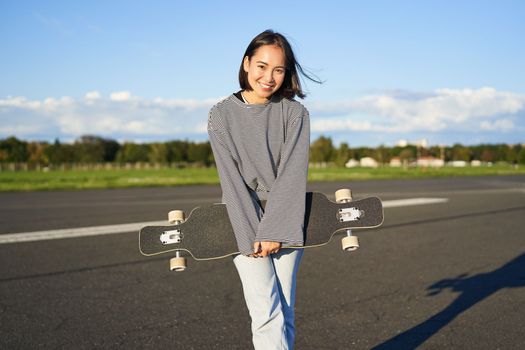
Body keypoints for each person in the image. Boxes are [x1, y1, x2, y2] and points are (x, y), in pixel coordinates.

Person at [207, 29, 321, 350]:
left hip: (284, 218)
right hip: (243, 220)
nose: (268, 77)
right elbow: (231, 179)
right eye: (261, 66)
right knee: (266, 313)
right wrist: (251, 235)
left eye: (278, 69)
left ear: (287, 74)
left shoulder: (294, 113)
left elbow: (292, 175)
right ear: (246, 64)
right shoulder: (220, 114)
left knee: (284, 311)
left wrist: (275, 228)